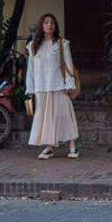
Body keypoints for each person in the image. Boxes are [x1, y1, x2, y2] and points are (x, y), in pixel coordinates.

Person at [24, 13, 79, 159]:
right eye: (46, 22)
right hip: (41, 87)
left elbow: (68, 64)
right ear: (41, 26)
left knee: (65, 115)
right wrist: (30, 87)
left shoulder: (62, 43)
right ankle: (49, 147)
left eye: (52, 23)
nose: (49, 25)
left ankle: (72, 147)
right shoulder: (33, 46)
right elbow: (30, 69)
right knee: (44, 118)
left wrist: (69, 84)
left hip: (58, 86)